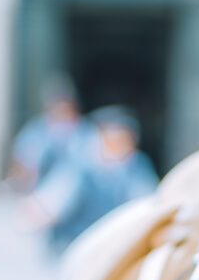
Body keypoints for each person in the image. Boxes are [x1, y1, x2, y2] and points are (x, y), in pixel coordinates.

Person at [22, 106, 158, 255]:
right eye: (114, 140)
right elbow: (51, 203)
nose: (120, 146)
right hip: (78, 247)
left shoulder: (137, 167)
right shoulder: (81, 166)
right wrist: (37, 212)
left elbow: (148, 204)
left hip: (117, 247)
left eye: (125, 141)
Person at [7, 79, 94, 193]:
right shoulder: (35, 133)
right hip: (38, 198)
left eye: (67, 108)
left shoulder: (85, 133)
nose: (63, 113)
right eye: (59, 107)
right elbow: (21, 169)